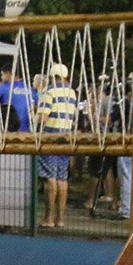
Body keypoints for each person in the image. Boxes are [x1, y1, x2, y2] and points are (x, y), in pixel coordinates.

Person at [35, 63, 78, 228]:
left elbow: (42, 118)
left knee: (49, 178)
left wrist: (36, 123)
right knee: (62, 178)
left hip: (50, 138)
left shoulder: (49, 92)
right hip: (65, 137)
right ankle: (61, 218)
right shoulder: (72, 93)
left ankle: (48, 218)